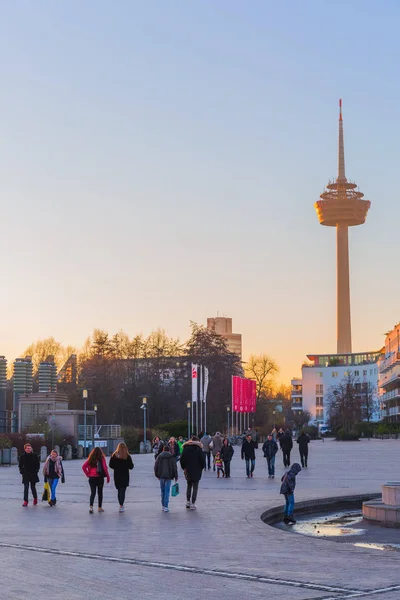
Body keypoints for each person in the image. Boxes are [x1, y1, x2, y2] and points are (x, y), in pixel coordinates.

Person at [180, 435, 205, 510]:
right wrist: (201, 468)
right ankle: (193, 503)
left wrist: (184, 467)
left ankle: (188, 501)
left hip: (188, 470)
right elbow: (202, 461)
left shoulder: (186, 449)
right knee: (195, 487)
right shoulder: (199, 449)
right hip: (197, 470)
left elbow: (182, 460)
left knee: (189, 485)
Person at [82, 447, 110, 513]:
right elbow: (105, 468)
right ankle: (99, 508)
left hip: (91, 478)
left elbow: (83, 466)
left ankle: (91, 507)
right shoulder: (102, 459)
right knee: (100, 493)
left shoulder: (90, 459)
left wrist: (87, 474)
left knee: (93, 492)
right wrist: (108, 477)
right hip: (99, 477)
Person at [109, 442, 134, 513]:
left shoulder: (114, 455)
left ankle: (120, 504)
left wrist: (116, 467)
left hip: (117, 475)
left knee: (119, 490)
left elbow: (111, 465)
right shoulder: (127, 456)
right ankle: (121, 505)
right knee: (123, 490)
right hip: (125, 475)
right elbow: (131, 466)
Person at [154, 444, 178, 512]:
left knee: (162, 490)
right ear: (169, 450)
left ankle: (163, 505)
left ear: (163, 450)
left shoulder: (159, 456)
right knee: (167, 491)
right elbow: (174, 467)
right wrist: (176, 476)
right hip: (169, 476)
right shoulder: (171, 457)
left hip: (161, 476)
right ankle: (166, 506)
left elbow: (156, 466)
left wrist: (157, 475)